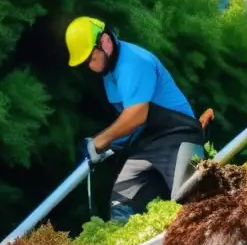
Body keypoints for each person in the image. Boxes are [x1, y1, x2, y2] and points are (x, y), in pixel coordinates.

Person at [65, 16, 206, 222]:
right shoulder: (109, 75)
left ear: (104, 42)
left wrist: (100, 141)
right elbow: (127, 121)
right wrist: (104, 145)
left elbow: (136, 115)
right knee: (122, 205)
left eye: (89, 58)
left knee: (192, 199)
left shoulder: (133, 63)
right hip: (146, 142)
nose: (89, 65)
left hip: (178, 134)